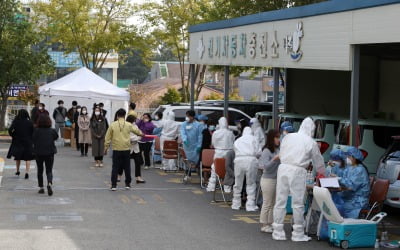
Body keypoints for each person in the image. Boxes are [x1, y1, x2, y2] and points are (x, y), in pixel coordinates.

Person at [272, 117, 325, 242]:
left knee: (280, 200)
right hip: (298, 170)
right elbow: (319, 162)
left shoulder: (288, 137)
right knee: (297, 203)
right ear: (312, 129)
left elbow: (282, 152)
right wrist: (325, 174)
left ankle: (277, 231)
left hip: (283, 168)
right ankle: (298, 233)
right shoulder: (310, 142)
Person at [104, 109, 143, 191]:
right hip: (126, 149)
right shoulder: (129, 124)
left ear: (117, 115)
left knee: (115, 167)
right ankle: (127, 184)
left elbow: (107, 137)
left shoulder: (112, 125)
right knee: (127, 167)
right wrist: (141, 134)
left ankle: (114, 185)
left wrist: (106, 148)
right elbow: (137, 131)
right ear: (125, 115)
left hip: (116, 149)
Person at [232, 127, 261, 211]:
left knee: (238, 182)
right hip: (251, 161)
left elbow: (234, 150)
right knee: (251, 183)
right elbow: (259, 153)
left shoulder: (238, 140)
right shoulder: (254, 139)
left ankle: (236, 203)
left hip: (238, 160)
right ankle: (250, 204)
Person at [259, 129, 281, 233]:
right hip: (267, 180)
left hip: (276, 179)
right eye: (276, 137)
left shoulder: (278, 150)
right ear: (272, 138)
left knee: (273, 203)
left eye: (279, 137)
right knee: (267, 203)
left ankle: (270, 223)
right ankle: (264, 224)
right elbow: (265, 167)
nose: (278, 139)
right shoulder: (266, 151)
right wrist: (274, 159)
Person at [339, 147, 370, 219]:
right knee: (334, 201)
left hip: (357, 201)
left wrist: (339, 179)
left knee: (338, 207)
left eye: (349, 156)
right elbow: (345, 180)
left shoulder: (360, 170)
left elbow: (351, 186)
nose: (347, 158)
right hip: (349, 197)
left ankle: (346, 227)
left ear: (354, 158)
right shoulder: (349, 168)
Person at [206, 117, 235, 193]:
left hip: (218, 152)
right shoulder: (230, 133)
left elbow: (213, 143)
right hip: (229, 153)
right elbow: (233, 142)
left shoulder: (216, 133)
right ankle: (227, 188)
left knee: (215, 169)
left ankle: (211, 187)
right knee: (228, 170)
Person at [32, 114, 58, 196]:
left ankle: (41, 187)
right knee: (49, 170)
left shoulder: (36, 130)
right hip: (49, 152)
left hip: (38, 152)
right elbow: (56, 137)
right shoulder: (52, 130)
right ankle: (49, 183)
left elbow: (33, 139)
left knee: (40, 170)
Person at [7, 109, 34, 179]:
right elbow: (33, 132)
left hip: (17, 141)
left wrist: (13, 136)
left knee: (18, 157)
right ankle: (27, 172)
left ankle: (18, 171)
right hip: (28, 141)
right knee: (28, 158)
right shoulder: (30, 122)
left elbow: (10, 130)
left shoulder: (16, 122)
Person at [180, 110, 203, 182]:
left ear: (192, 117)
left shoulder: (198, 125)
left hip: (195, 146)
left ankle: (200, 175)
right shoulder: (184, 124)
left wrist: (199, 145)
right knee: (187, 160)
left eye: (188, 116)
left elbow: (200, 136)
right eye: (186, 116)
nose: (187, 117)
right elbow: (182, 133)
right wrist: (184, 140)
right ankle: (188, 174)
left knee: (196, 161)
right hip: (187, 146)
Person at [126, 115, 146, 183]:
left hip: (135, 148)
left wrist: (140, 135)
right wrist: (139, 137)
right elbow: (130, 138)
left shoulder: (135, 126)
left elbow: (139, 132)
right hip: (128, 148)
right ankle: (119, 175)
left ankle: (138, 177)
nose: (135, 121)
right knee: (124, 163)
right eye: (134, 120)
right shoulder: (126, 126)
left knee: (138, 163)